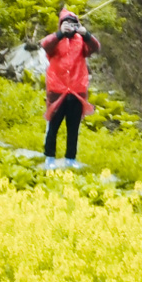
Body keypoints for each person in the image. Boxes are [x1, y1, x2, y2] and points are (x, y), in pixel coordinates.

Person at [40, 9, 100, 168]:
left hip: (76, 91)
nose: (69, 27)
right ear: (61, 24)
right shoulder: (55, 40)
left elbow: (95, 47)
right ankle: (49, 156)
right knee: (53, 126)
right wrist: (60, 33)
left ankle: (70, 158)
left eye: (73, 23)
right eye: (66, 23)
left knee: (73, 128)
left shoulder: (81, 42)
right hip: (57, 90)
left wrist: (85, 33)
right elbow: (45, 45)